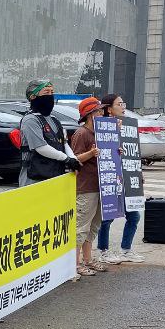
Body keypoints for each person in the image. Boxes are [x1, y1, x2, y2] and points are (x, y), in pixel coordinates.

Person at [95, 93, 144, 265]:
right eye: (119, 103)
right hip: (110, 179)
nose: (123, 106)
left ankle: (126, 249)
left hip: (126, 177)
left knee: (134, 216)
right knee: (107, 217)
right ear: (109, 108)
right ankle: (103, 250)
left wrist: (137, 173)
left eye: (124, 103)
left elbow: (132, 153)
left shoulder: (128, 125)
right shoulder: (100, 127)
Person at [16, 78, 79, 187]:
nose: (50, 96)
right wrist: (66, 159)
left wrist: (74, 159)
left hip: (55, 176)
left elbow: (64, 143)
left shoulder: (55, 120)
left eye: (52, 93)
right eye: (46, 92)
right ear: (33, 97)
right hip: (34, 179)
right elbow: (41, 148)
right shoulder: (30, 120)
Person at [68, 96, 106, 275]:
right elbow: (74, 159)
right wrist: (91, 153)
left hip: (101, 185)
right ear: (91, 114)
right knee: (81, 227)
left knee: (93, 226)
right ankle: (75, 264)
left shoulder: (101, 133)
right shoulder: (81, 133)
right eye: (99, 110)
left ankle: (88, 260)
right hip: (86, 186)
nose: (102, 113)